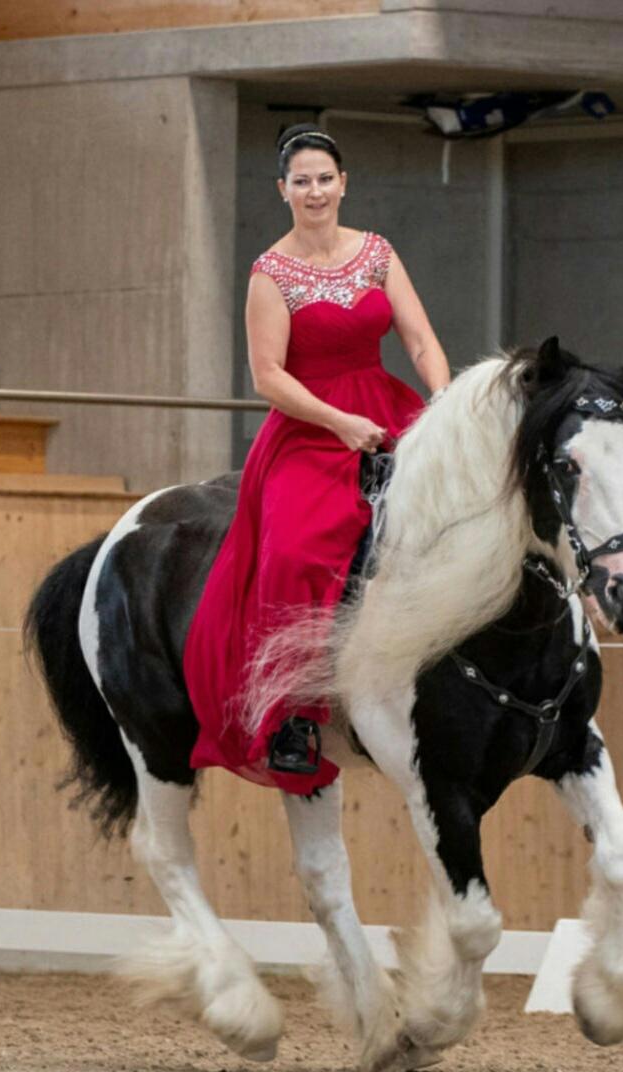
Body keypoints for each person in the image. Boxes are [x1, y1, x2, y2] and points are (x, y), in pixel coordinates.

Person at [182, 123, 450, 794]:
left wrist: (445, 402)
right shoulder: (269, 273)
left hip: (386, 410)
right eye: (301, 181)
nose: (315, 191)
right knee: (296, 550)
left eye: (324, 179)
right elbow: (267, 376)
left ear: (343, 183)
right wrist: (339, 422)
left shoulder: (378, 252)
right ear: (282, 190)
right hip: (308, 428)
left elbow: (420, 341)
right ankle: (293, 715)